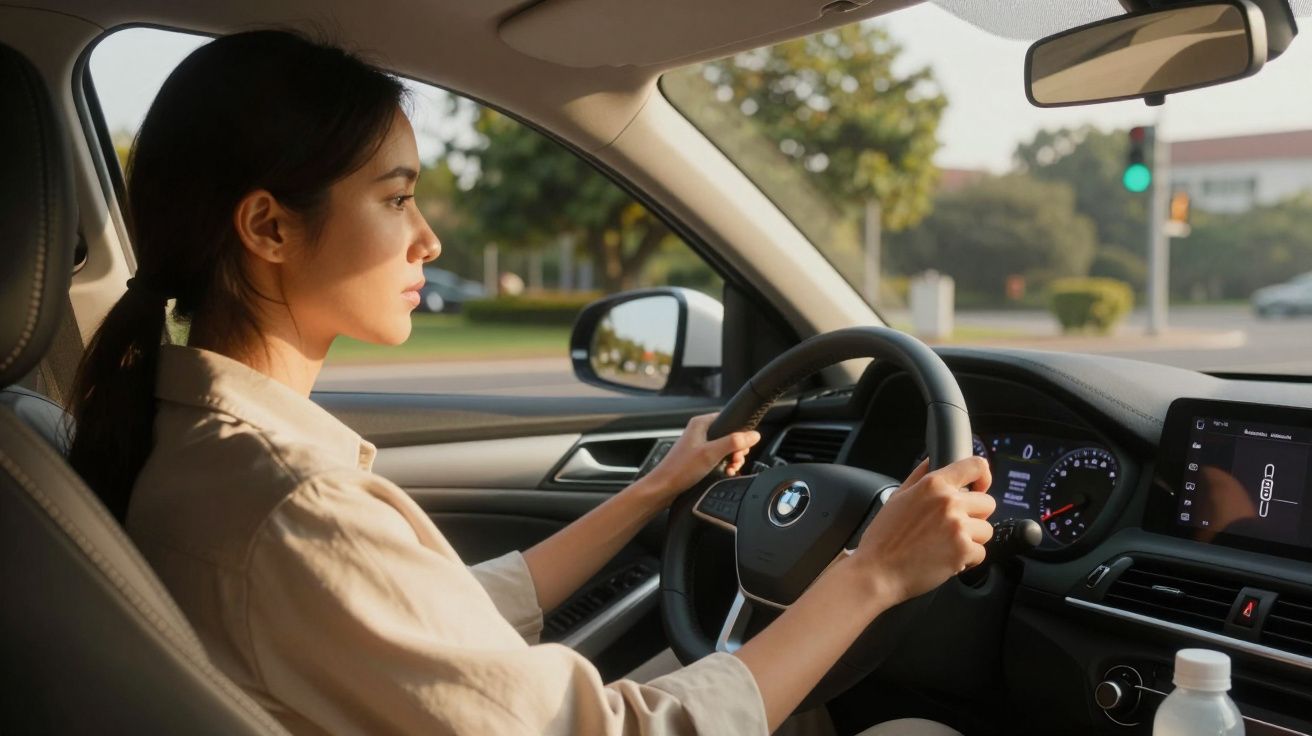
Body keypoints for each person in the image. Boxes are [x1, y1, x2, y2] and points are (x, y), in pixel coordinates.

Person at [67, 29, 995, 735]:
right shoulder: (294, 506)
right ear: (269, 228)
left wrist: (653, 492)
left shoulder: (188, 446)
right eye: (396, 198)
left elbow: (440, 616)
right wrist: (871, 576)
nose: (429, 238)